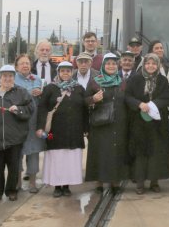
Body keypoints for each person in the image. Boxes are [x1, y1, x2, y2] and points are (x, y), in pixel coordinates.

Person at [0, 65, 33, 201]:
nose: (7, 79)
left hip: (14, 138)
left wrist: (19, 110)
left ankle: (11, 190)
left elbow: (30, 108)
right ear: (0, 77)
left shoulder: (21, 92)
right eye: (5, 76)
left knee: (14, 167)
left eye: (10, 76)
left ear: (14, 78)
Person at [35, 62, 87, 198]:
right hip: (54, 132)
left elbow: (85, 109)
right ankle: (57, 186)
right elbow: (42, 108)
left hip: (74, 131)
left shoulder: (79, 88)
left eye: (68, 71)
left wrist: (86, 128)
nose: (65, 73)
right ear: (58, 72)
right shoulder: (50, 88)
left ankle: (66, 186)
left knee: (70, 159)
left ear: (72, 72)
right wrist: (40, 127)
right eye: (62, 71)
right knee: (56, 158)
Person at [126, 54, 169, 194]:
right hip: (139, 121)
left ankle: (154, 181)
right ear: (143, 65)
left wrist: (153, 104)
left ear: (158, 65)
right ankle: (140, 182)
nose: (150, 66)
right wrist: (139, 104)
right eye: (148, 63)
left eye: (154, 63)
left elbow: (167, 97)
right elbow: (128, 96)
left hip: (157, 123)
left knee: (156, 151)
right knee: (140, 152)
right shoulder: (135, 79)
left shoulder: (162, 80)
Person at [85, 53, 130, 193]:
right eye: (108, 63)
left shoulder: (122, 82)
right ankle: (99, 182)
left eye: (114, 63)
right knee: (100, 151)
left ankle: (115, 182)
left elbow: (127, 100)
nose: (111, 66)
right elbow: (84, 101)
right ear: (103, 65)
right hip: (101, 124)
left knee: (116, 152)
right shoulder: (95, 82)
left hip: (119, 123)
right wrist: (93, 99)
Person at [13, 54, 45, 193]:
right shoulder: (12, 79)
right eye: (22, 63)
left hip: (33, 121)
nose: (25, 65)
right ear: (16, 67)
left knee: (33, 152)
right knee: (17, 153)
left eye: (27, 63)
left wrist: (40, 93)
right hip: (17, 121)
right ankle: (17, 182)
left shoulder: (37, 79)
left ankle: (32, 182)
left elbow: (42, 101)